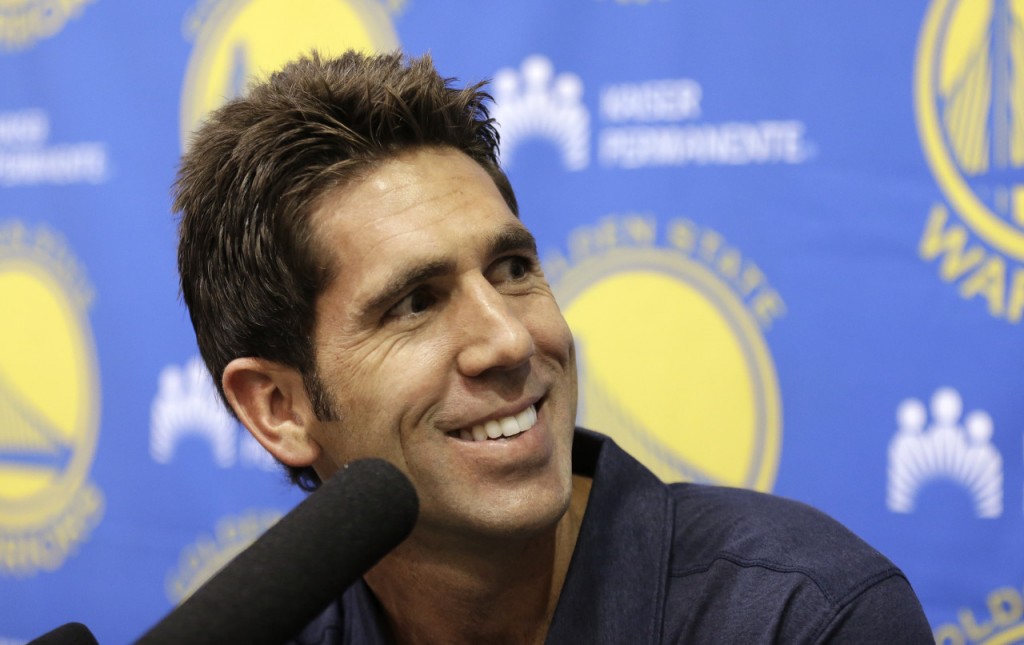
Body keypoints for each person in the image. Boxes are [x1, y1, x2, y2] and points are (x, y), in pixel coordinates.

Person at [173, 50, 934, 643]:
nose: (509, 337)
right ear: (278, 407)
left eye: (512, 270)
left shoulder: (802, 617)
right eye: (415, 303)